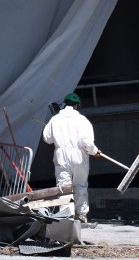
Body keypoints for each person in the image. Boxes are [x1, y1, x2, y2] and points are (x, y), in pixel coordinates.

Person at [42, 92, 101, 223]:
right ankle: (81, 214)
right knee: (80, 185)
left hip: (61, 157)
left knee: (64, 186)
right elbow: (88, 143)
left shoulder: (55, 119)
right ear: (77, 105)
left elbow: (47, 139)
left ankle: (66, 216)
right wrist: (94, 151)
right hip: (80, 157)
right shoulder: (83, 121)